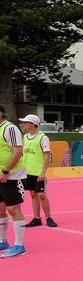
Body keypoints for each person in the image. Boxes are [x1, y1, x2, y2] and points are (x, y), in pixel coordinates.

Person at [20, 114, 58, 228]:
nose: (23, 124)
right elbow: (22, 154)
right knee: (32, 194)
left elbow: (47, 156)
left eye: (25, 122)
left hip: (38, 172)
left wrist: (43, 173)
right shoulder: (25, 137)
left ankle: (49, 218)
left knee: (41, 195)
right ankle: (37, 218)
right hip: (28, 171)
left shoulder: (43, 137)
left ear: (32, 124)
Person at [0, 104, 27, 258]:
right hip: (0, 177)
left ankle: (19, 245)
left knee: (13, 209)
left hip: (12, 176)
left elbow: (18, 151)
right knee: (1, 209)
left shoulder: (10, 128)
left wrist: (6, 171)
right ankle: (3, 241)